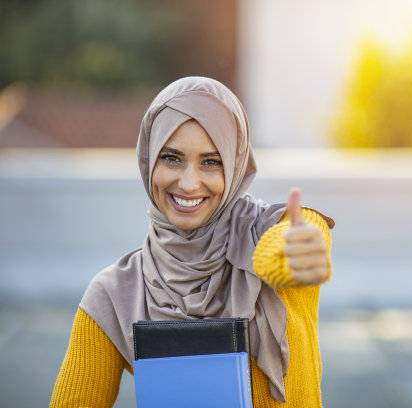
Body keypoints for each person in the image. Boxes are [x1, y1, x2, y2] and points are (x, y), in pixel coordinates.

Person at [50, 77, 334, 407]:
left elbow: (298, 241)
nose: (188, 183)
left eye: (211, 162)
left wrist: (286, 256)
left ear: (235, 163)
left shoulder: (280, 228)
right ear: (149, 158)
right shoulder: (115, 294)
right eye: (171, 158)